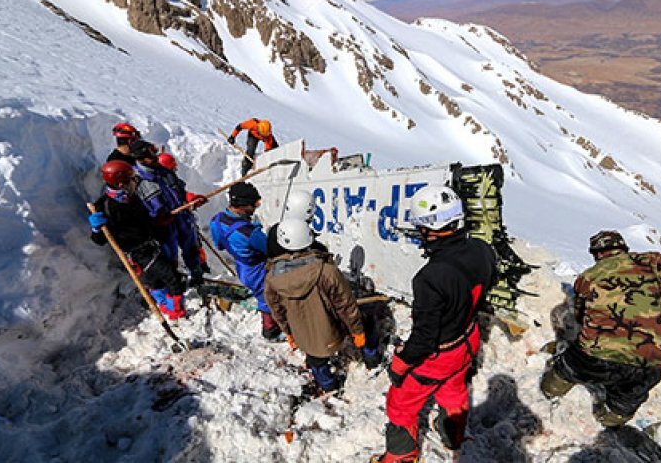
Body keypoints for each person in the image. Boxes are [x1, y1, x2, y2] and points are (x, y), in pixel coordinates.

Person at [540, 230, 661, 427]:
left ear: (596, 254)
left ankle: (550, 393)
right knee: (622, 406)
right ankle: (611, 419)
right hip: (649, 364)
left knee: (563, 372)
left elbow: (582, 317)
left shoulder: (587, 278)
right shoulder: (650, 262)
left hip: (596, 359)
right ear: (623, 248)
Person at [373, 185, 497, 463]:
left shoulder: (430, 277)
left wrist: (401, 363)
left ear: (430, 228)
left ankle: (401, 455)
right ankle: (453, 434)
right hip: (467, 338)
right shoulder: (481, 249)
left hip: (439, 353)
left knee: (401, 403)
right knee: (453, 389)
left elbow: (425, 337)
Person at [264, 219, 367, 393]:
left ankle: (329, 386)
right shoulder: (326, 271)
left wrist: (289, 332)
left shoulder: (272, 278)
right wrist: (357, 330)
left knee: (316, 362)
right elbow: (345, 305)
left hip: (302, 336)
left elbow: (277, 311)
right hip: (331, 333)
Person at [89, 160, 188, 320]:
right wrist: (96, 228)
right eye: (132, 179)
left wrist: (159, 221)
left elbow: (144, 221)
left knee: (156, 280)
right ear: (121, 184)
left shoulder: (131, 198)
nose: (136, 182)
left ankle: (164, 305)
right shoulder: (105, 208)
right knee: (172, 277)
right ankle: (176, 312)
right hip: (137, 253)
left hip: (151, 246)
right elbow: (99, 240)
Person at [209, 182, 282, 340]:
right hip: (257, 270)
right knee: (267, 296)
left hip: (242, 266)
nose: (256, 207)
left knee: (261, 293)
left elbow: (219, 244)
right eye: (254, 204)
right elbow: (271, 250)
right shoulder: (250, 233)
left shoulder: (217, 220)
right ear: (242, 205)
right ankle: (270, 329)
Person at [130, 140, 207, 287]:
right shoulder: (136, 181)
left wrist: (191, 198)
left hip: (182, 218)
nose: (154, 158)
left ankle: (197, 277)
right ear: (139, 158)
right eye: (149, 156)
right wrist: (155, 220)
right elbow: (138, 211)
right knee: (169, 256)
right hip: (163, 227)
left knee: (192, 248)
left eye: (154, 154)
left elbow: (180, 191)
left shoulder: (164, 171)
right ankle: (173, 284)